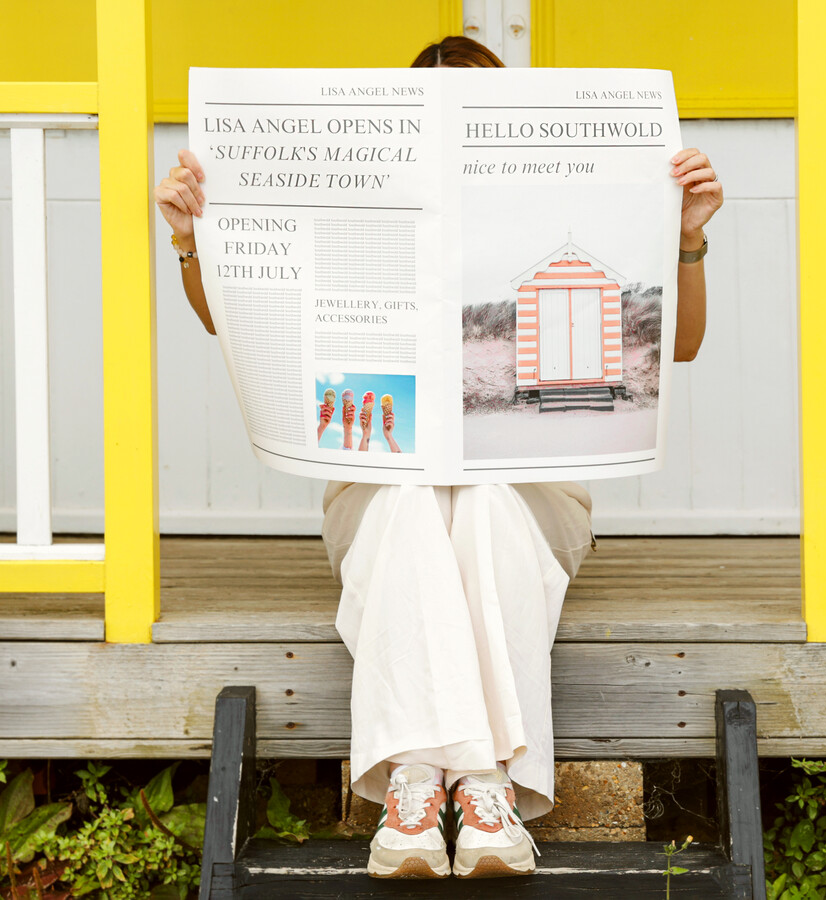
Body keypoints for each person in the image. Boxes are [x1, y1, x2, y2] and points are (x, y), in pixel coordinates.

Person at [154, 35, 723, 880]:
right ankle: (481, 789)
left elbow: (679, 347)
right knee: (417, 502)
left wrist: (685, 237)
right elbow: (227, 319)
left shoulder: (555, 208)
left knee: (485, 503)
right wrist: (196, 237)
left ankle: (417, 786)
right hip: (384, 498)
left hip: (530, 501)